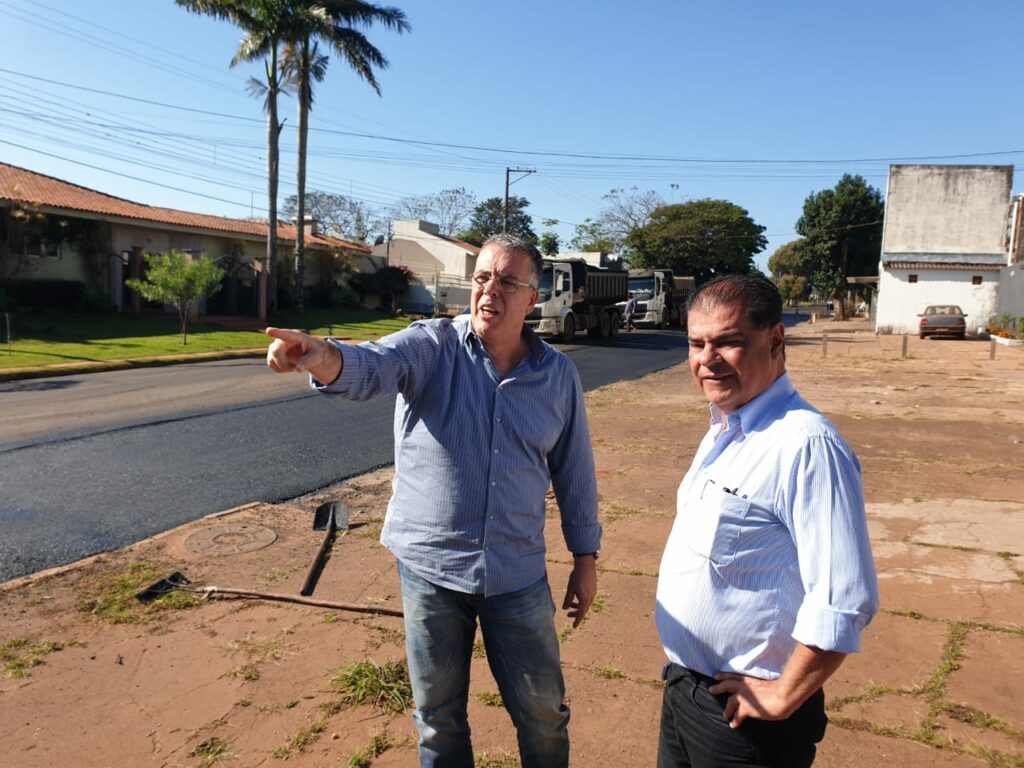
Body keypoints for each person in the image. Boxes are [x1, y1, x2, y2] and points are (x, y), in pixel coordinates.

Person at [265, 233, 601, 768]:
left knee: (543, 715)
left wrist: (585, 559)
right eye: (483, 277)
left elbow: (574, 472)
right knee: (437, 720)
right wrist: (318, 355)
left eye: (508, 281)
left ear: (532, 298)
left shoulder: (557, 376)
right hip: (431, 569)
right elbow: (371, 365)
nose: (490, 290)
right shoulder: (432, 345)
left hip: (516, 574)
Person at [654, 274, 879, 768]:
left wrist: (783, 694)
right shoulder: (723, 427)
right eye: (696, 343)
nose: (706, 360)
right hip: (686, 692)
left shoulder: (805, 445)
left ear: (775, 340)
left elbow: (846, 596)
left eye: (728, 342)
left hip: (749, 724)